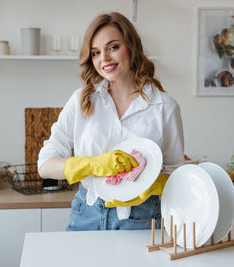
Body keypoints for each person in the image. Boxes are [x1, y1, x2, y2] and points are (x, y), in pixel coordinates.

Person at [37, 12, 184, 231]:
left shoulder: (164, 106)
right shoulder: (81, 101)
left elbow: (175, 172)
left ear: (131, 47)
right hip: (86, 213)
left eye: (113, 47)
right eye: (95, 52)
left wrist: (153, 184)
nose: (103, 59)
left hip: (142, 216)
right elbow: (45, 165)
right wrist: (93, 164)